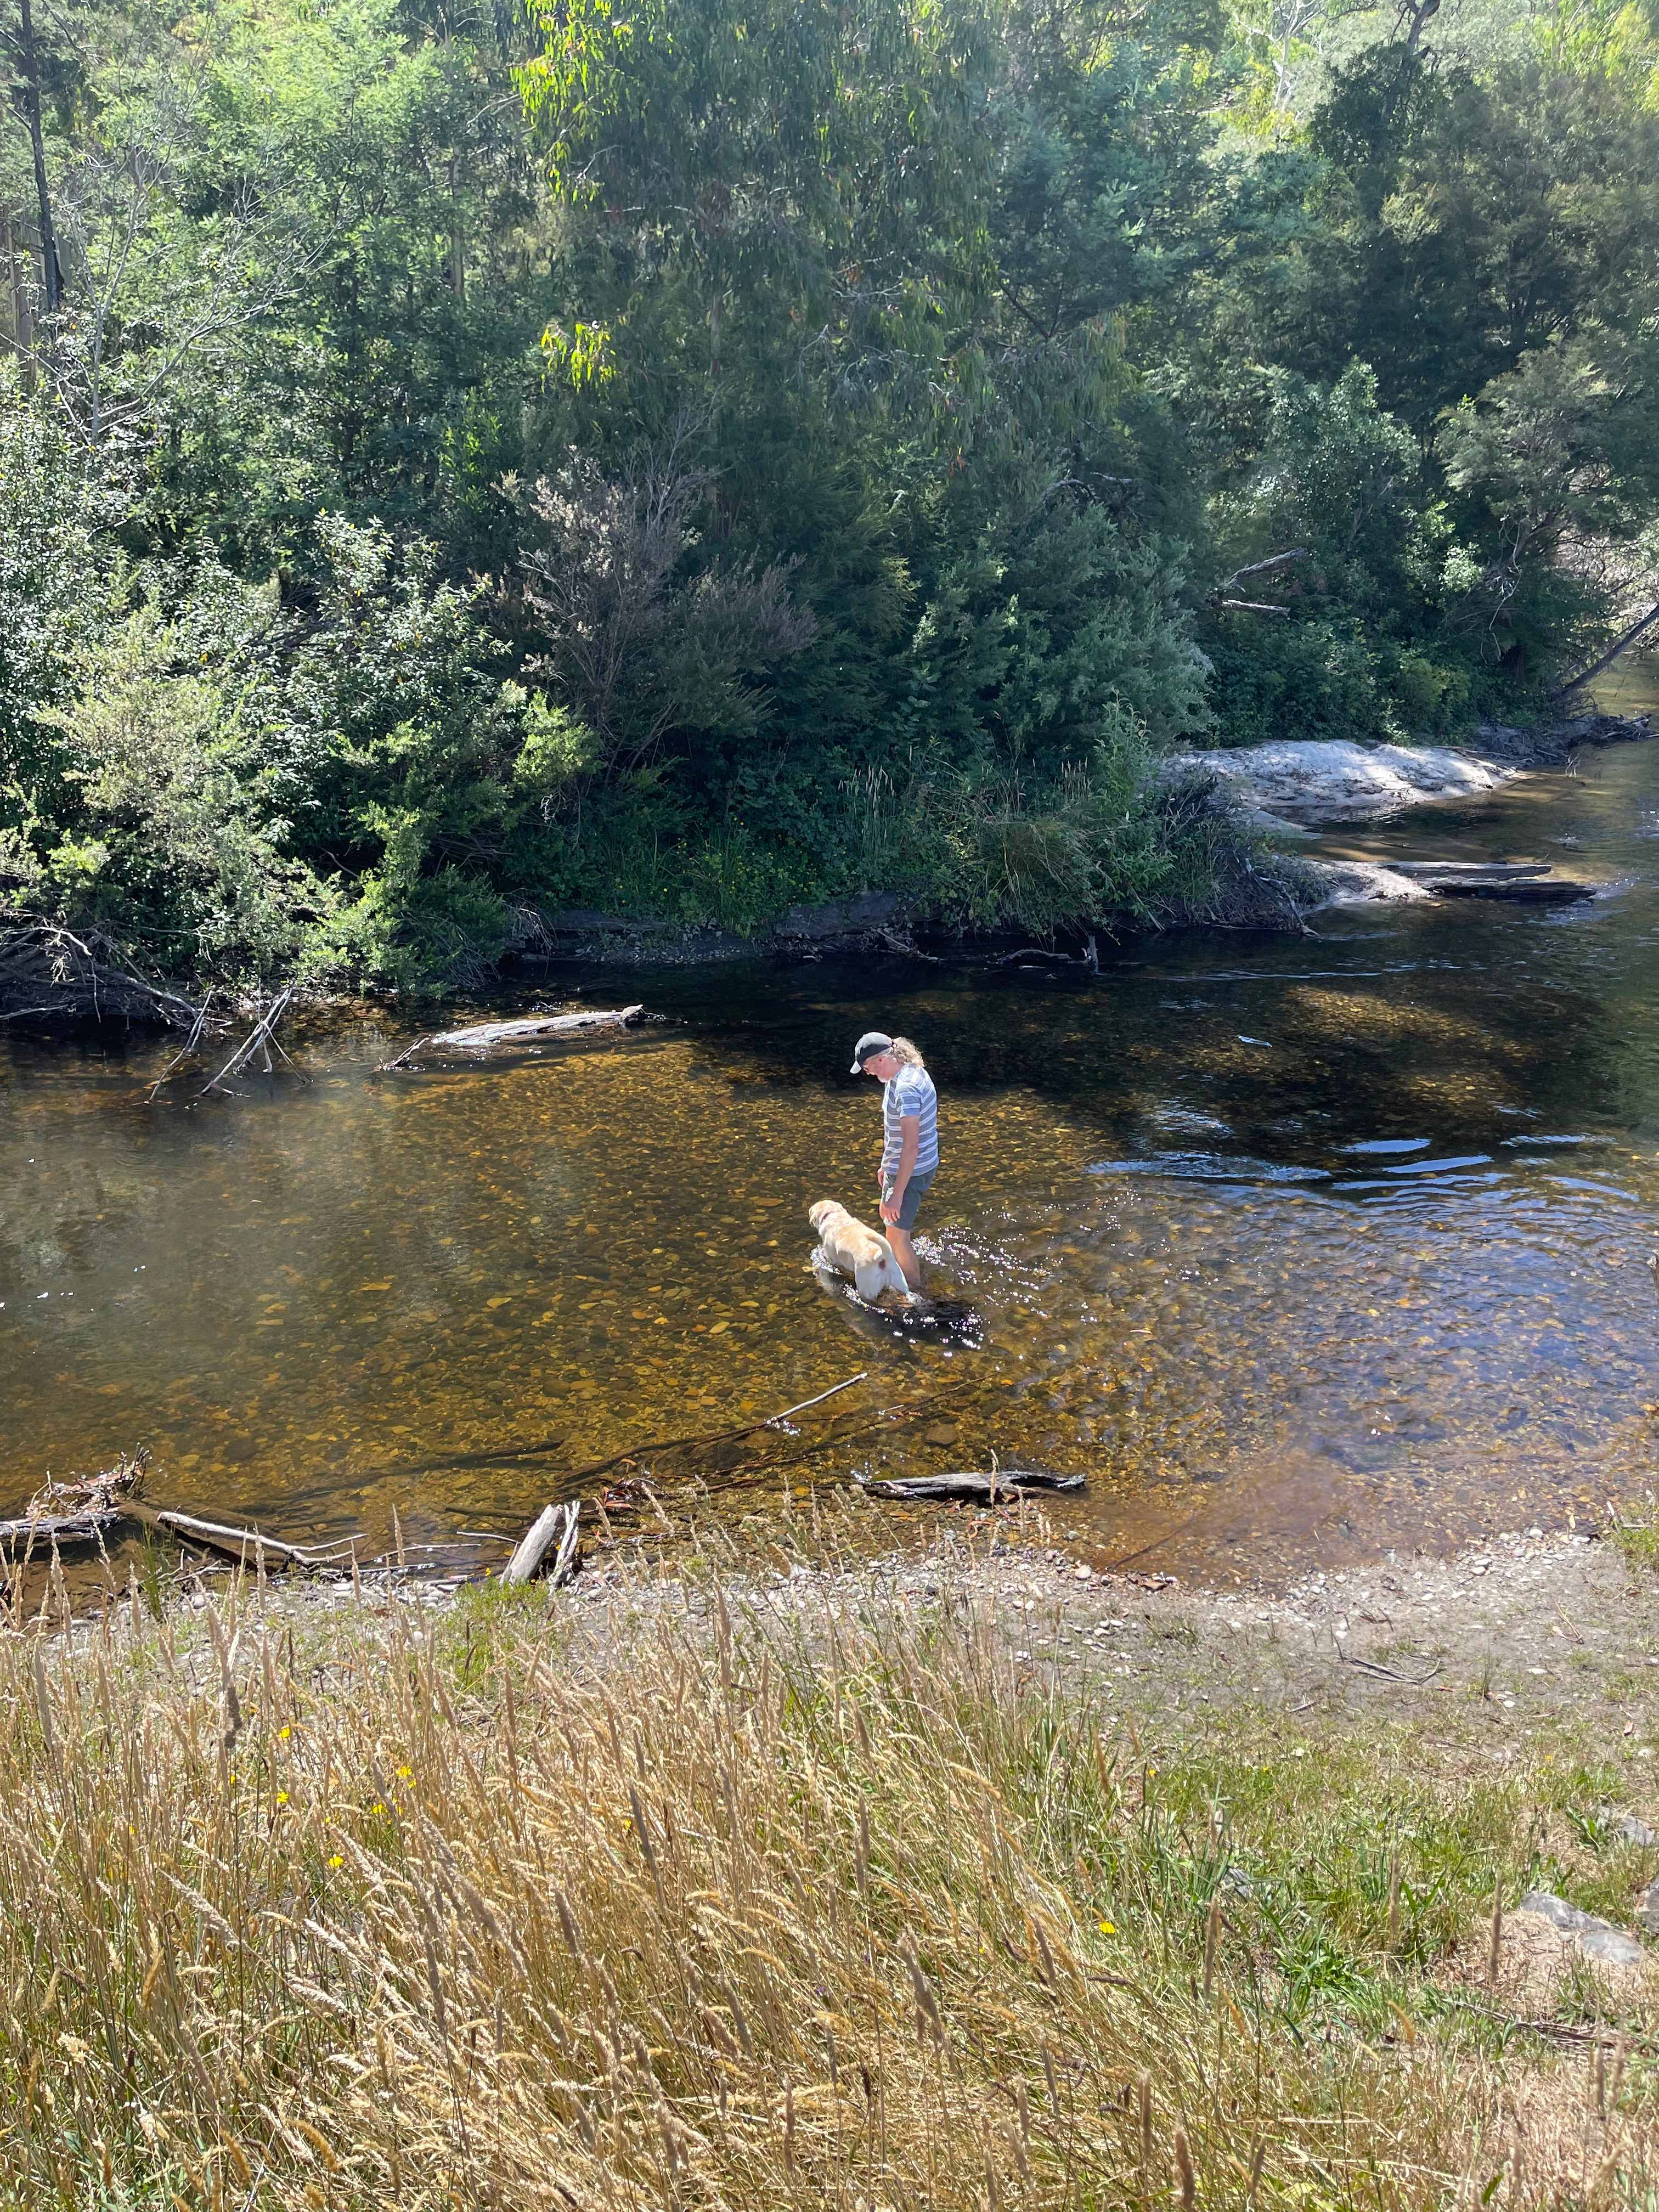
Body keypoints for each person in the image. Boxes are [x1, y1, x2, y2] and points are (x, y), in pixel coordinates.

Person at [849, 1029, 938, 1290]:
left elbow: (911, 1146)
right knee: (892, 1227)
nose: (868, 1074)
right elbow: (897, 1134)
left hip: (912, 1169)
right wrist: (885, 1163)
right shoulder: (906, 1071)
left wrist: (897, 1193)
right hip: (912, 1165)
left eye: (867, 1068)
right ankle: (903, 1283)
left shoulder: (906, 1089)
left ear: (881, 1059)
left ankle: (915, 1296)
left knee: (897, 1236)